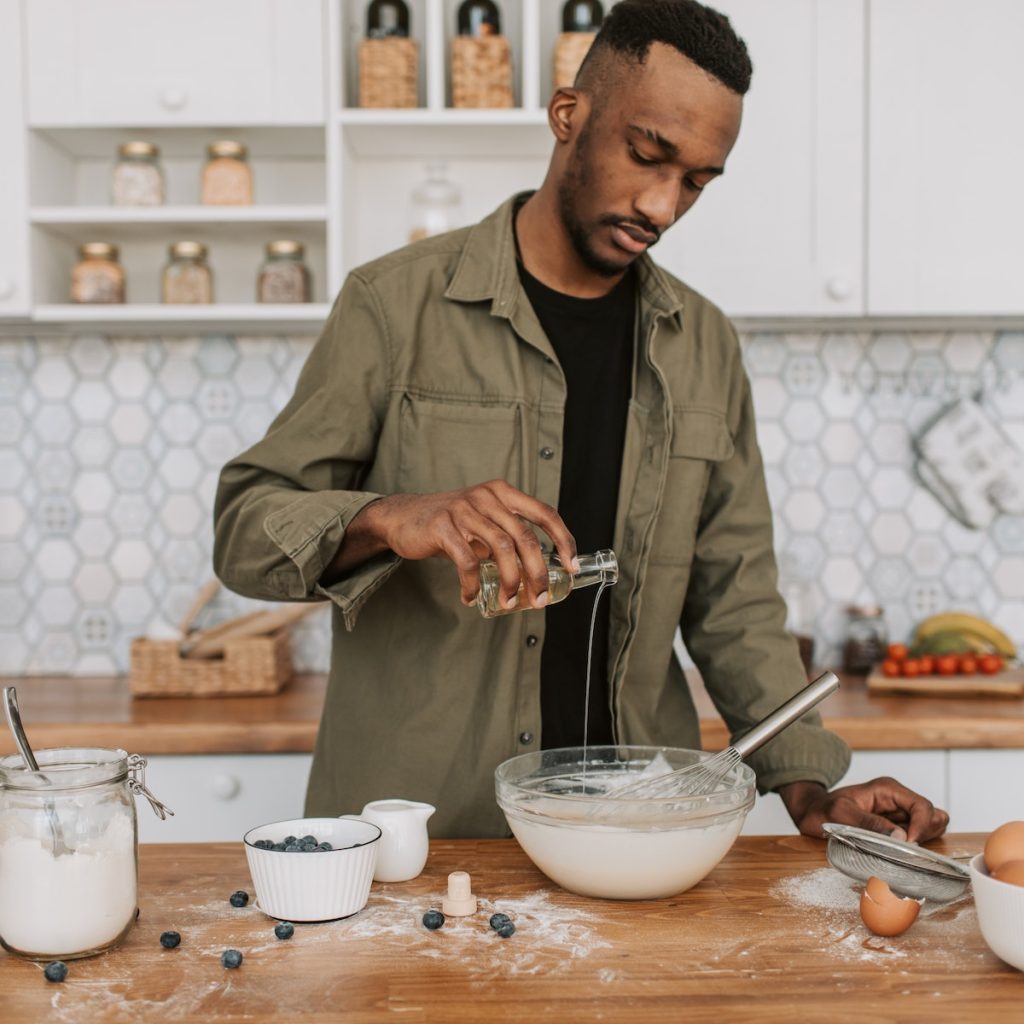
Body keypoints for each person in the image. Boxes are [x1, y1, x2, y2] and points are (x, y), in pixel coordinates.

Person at [214, 0, 948, 843]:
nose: (664, 206)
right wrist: (392, 517)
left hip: (637, 838)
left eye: (698, 181)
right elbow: (244, 530)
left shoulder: (705, 344)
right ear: (569, 116)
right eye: (648, 155)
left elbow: (735, 598)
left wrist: (810, 786)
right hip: (419, 838)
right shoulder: (393, 305)